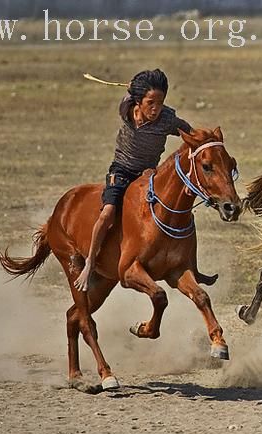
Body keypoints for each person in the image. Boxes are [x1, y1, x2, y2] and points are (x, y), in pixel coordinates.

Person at [74, 69, 192, 292]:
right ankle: (89, 262)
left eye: (160, 101)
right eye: (150, 102)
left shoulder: (167, 119)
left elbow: (190, 134)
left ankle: (187, 263)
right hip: (121, 171)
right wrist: (133, 89)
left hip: (147, 174)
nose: (156, 108)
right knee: (108, 212)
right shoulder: (126, 109)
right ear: (139, 101)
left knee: (174, 207)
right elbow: (128, 97)